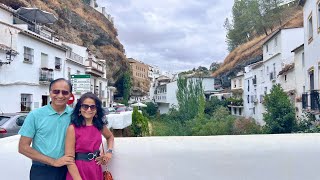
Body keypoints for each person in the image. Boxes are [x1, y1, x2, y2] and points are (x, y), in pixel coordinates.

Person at [18, 78, 75, 180]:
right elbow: (23, 147)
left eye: (65, 92)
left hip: (69, 169)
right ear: (50, 93)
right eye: (56, 91)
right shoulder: (35, 115)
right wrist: (54, 162)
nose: (60, 95)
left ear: (70, 95)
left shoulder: (75, 115)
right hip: (42, 170)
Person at [65, 92, 114, 180]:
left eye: (92, 106)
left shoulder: (99, 125)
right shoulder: (73, 128)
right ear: (79, 108)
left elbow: (110, 137)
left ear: (96, 110)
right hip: (78, 170)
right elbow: (69, 159)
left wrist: (109, 152)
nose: (89, 109)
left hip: (95, 168)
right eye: (85, 106)